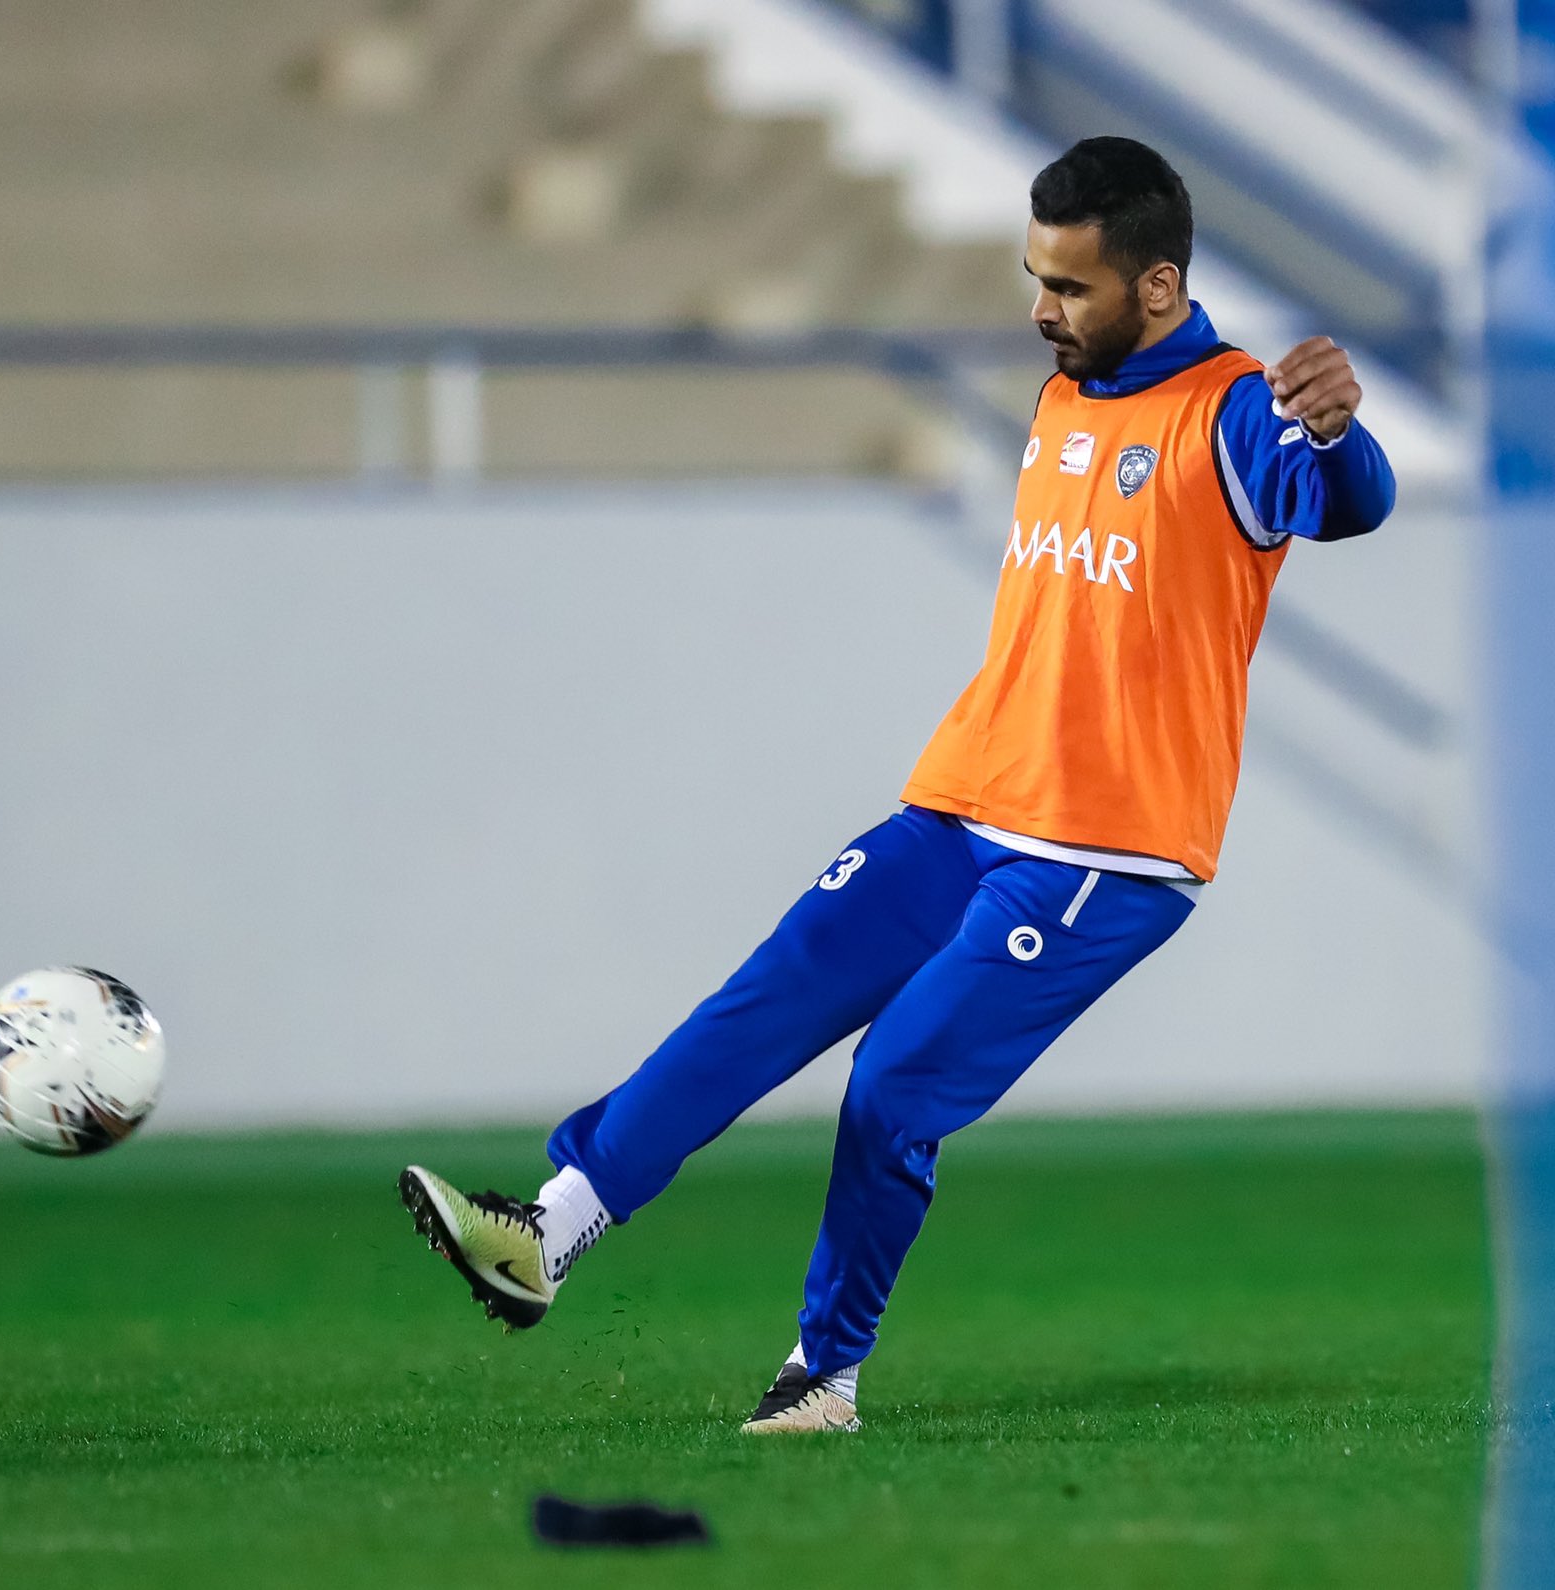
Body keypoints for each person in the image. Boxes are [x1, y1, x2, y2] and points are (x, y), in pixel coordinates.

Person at [397, 136, 1397, 1433]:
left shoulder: (1232, 411)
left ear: (1158, 287)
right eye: (1036, 278)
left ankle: (826, 1373)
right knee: (771, 991)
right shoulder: (1065, 399)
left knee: (894, 1083)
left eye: (1071, 286)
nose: (1041, 309)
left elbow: (1344, 499)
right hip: (966, 805)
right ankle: (548, 1233)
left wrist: (1339, 431)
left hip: (1103, 851)